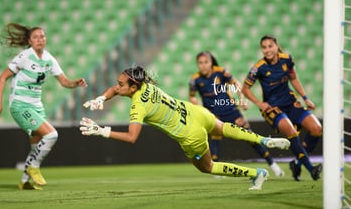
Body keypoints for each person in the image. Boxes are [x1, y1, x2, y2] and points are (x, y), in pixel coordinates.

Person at [80, 66, 291, 190]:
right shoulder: (145, 84)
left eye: (120, 84)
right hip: (196, 112)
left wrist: (102, 131)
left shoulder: (138, 105)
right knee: (223, 128)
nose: (117, 87)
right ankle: (262, 139)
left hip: (190, 134)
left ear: (133, 87)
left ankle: (256, 173)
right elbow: (115, 90)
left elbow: (132, 137)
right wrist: (101, 98)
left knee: (207, 167)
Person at [0, 23, 87, 190]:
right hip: (21, 105)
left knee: (36, 146)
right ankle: (33, 167)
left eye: (42, 36)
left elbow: (64, 81)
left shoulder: (49, 59)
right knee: (52, 135)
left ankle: (24, 181)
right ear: (29, 40)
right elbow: (3, 77)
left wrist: (75, 83)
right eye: (35, 37)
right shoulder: (25, 56)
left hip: (36, 106)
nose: (40, 39)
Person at [241, 34, 322, 181]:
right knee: (292, 132)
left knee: (317, 129)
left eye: (270, 46)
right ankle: (311, 169)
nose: (267, 50)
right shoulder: (258, 67)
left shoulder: (287, 59)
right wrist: (259, 103)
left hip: (291, 103)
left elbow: (294, 78)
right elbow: (245, 88)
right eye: (264, 47)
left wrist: (305, 98)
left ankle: (297, 163)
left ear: (276, 46)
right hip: (272, 108)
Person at [189, 51, 284, 177]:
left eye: (206, 62)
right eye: (200, 63)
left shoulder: (221, 72)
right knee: (214, 140)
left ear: (211, 62)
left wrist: (242, 99)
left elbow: (237, 84)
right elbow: (192, 97)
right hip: (213, 115)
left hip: (231, 112)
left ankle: (272, 164)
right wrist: (200, 109)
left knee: (250, 137)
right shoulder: (195, 80)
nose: (203, 65)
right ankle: (217, 170)